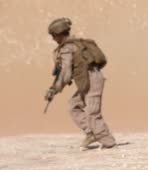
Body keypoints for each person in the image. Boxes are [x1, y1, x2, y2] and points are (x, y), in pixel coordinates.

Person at [45, 17, 116, 150]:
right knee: (73, 106)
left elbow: (65, 73)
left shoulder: (67, 48)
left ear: (60, 34)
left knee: (93, 112)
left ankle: (108, 142)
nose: (53, 39)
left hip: (91, 79)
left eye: (54, 35)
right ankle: (91, 133)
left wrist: (54, 89)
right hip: (86, 80)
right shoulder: (75, 44)